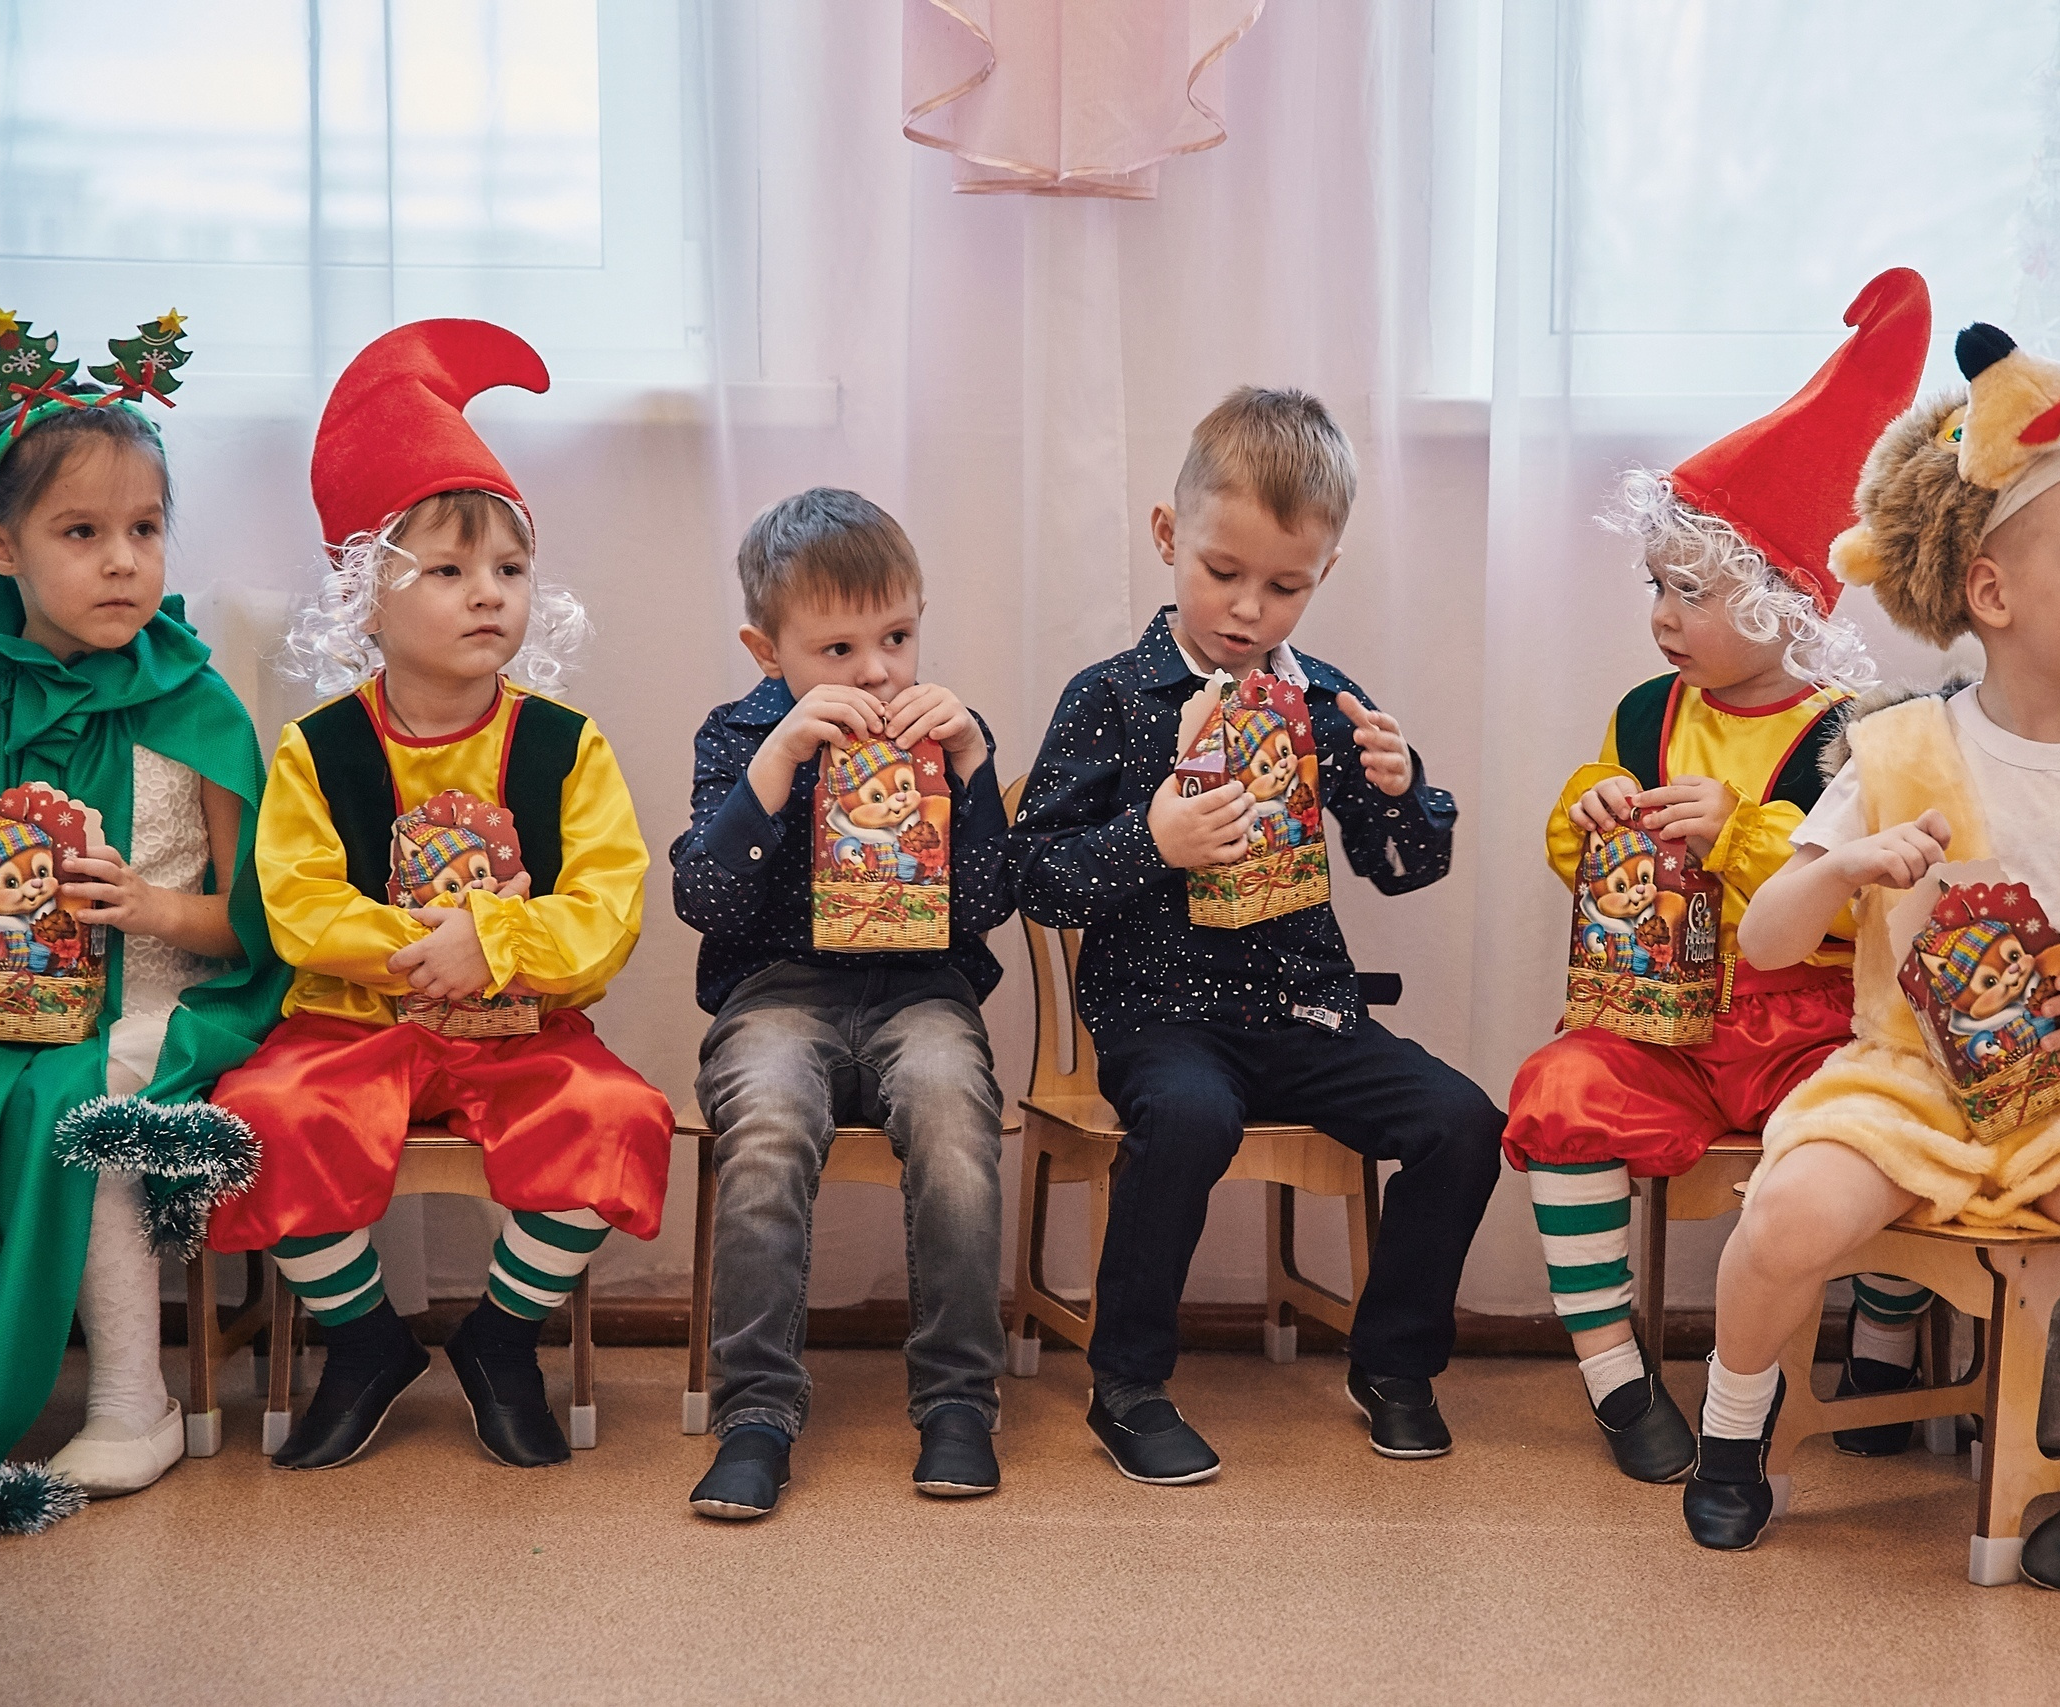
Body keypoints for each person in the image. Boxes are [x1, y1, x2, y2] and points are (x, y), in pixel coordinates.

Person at [1687, 321, 2060, 1590]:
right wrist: (1839, 868)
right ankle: (1732, 1432)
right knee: (1786, 1214)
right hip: (1907, 1076)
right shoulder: (1894, 750)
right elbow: (1763, 936)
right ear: (1993, 593)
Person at [204, 320, 673, 1473]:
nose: (487, 597)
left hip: (522, 1028)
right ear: (366, 593)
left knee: (618, 1120)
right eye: (450, 571)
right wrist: (427, 945)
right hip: (351, 1025)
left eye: (508, 572)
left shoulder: (564, 747)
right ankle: (363, 1340)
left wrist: (499, 940)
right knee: (263, 1121)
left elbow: (610, 906)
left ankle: (499, 1338)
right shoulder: (323, 749)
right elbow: (296, 901)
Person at [1011, 386, 1503, 1485]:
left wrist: (1404, 789)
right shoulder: (1111, 697)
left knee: (1462, 1123)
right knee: (1188, 1117)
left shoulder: (1324, 701)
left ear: (1324, 573)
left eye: (1284, 587)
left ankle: (1394, 1366)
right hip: (1159, 1012)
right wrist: (1154, 841)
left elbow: (1403, 867)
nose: (1246, 611)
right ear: (1165, 537)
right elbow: (1033, 878)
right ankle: (1128, 1384)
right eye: (1220, 573)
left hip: (1307, 1011)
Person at [1504, 269, 1937, 1484]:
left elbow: (1873, 903)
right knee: (1559, 1091)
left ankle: (1887, 1349)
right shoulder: (1649, 712)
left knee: (1911, 1109)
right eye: (1658, 586)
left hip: (1816, 1027)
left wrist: (1743, 834)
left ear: (1787, 601)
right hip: (1668, 1021)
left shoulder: (1862, 729)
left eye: (1694, 591)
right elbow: (1584, 861)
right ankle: (1615, 1375)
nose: (1664, 615)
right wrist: (1585, 815)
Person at [0, 308, 288, 1536]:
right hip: (8, 997)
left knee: (79, 1103)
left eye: (144, 532)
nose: (121, 563)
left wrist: (151, 907)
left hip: (173, 999)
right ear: (0, 545)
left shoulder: (194, 706)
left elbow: (255, 930)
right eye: (82, 533)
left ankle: (131, 1397)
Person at [672, 487, 1015, 1518]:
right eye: (836, 650)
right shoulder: (738, 737)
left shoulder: (947, 737)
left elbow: (992, 904)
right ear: (764, 650)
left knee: (956, 1114)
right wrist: (778, 762)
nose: (876, 671)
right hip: (778, 996)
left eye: (898, 637)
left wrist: (972, 766)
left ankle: (958, 1402)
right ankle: (756, 1415)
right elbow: (704, 898)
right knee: (768, 1126)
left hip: (923, 994)